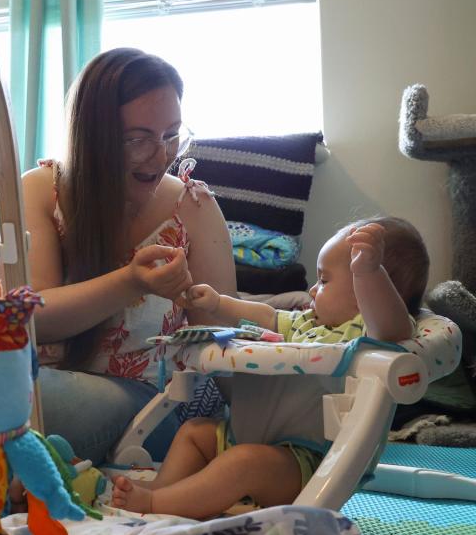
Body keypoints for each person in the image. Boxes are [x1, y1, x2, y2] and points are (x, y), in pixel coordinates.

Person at [111, 217, 430, 518]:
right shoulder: (308, 324)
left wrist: (369, 273)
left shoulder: (367, 333)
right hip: (248, 434)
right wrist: (217, 303)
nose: (313, 290)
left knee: (244, 463)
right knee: (194, 432)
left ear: (365, 295)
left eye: (324, 280)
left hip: (307, 461)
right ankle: (163, 489)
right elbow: (265, 316)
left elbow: (392, 325)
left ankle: (156, 503)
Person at [18, 48, 237, 465]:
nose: (160, 155)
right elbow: (28, 319)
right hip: (39, 379)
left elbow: (223, 342)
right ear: (93, 136)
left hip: (149, 407)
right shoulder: (41, 190)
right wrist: (130, 282)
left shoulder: (194, 208)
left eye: (172, 134)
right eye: (137, 139)